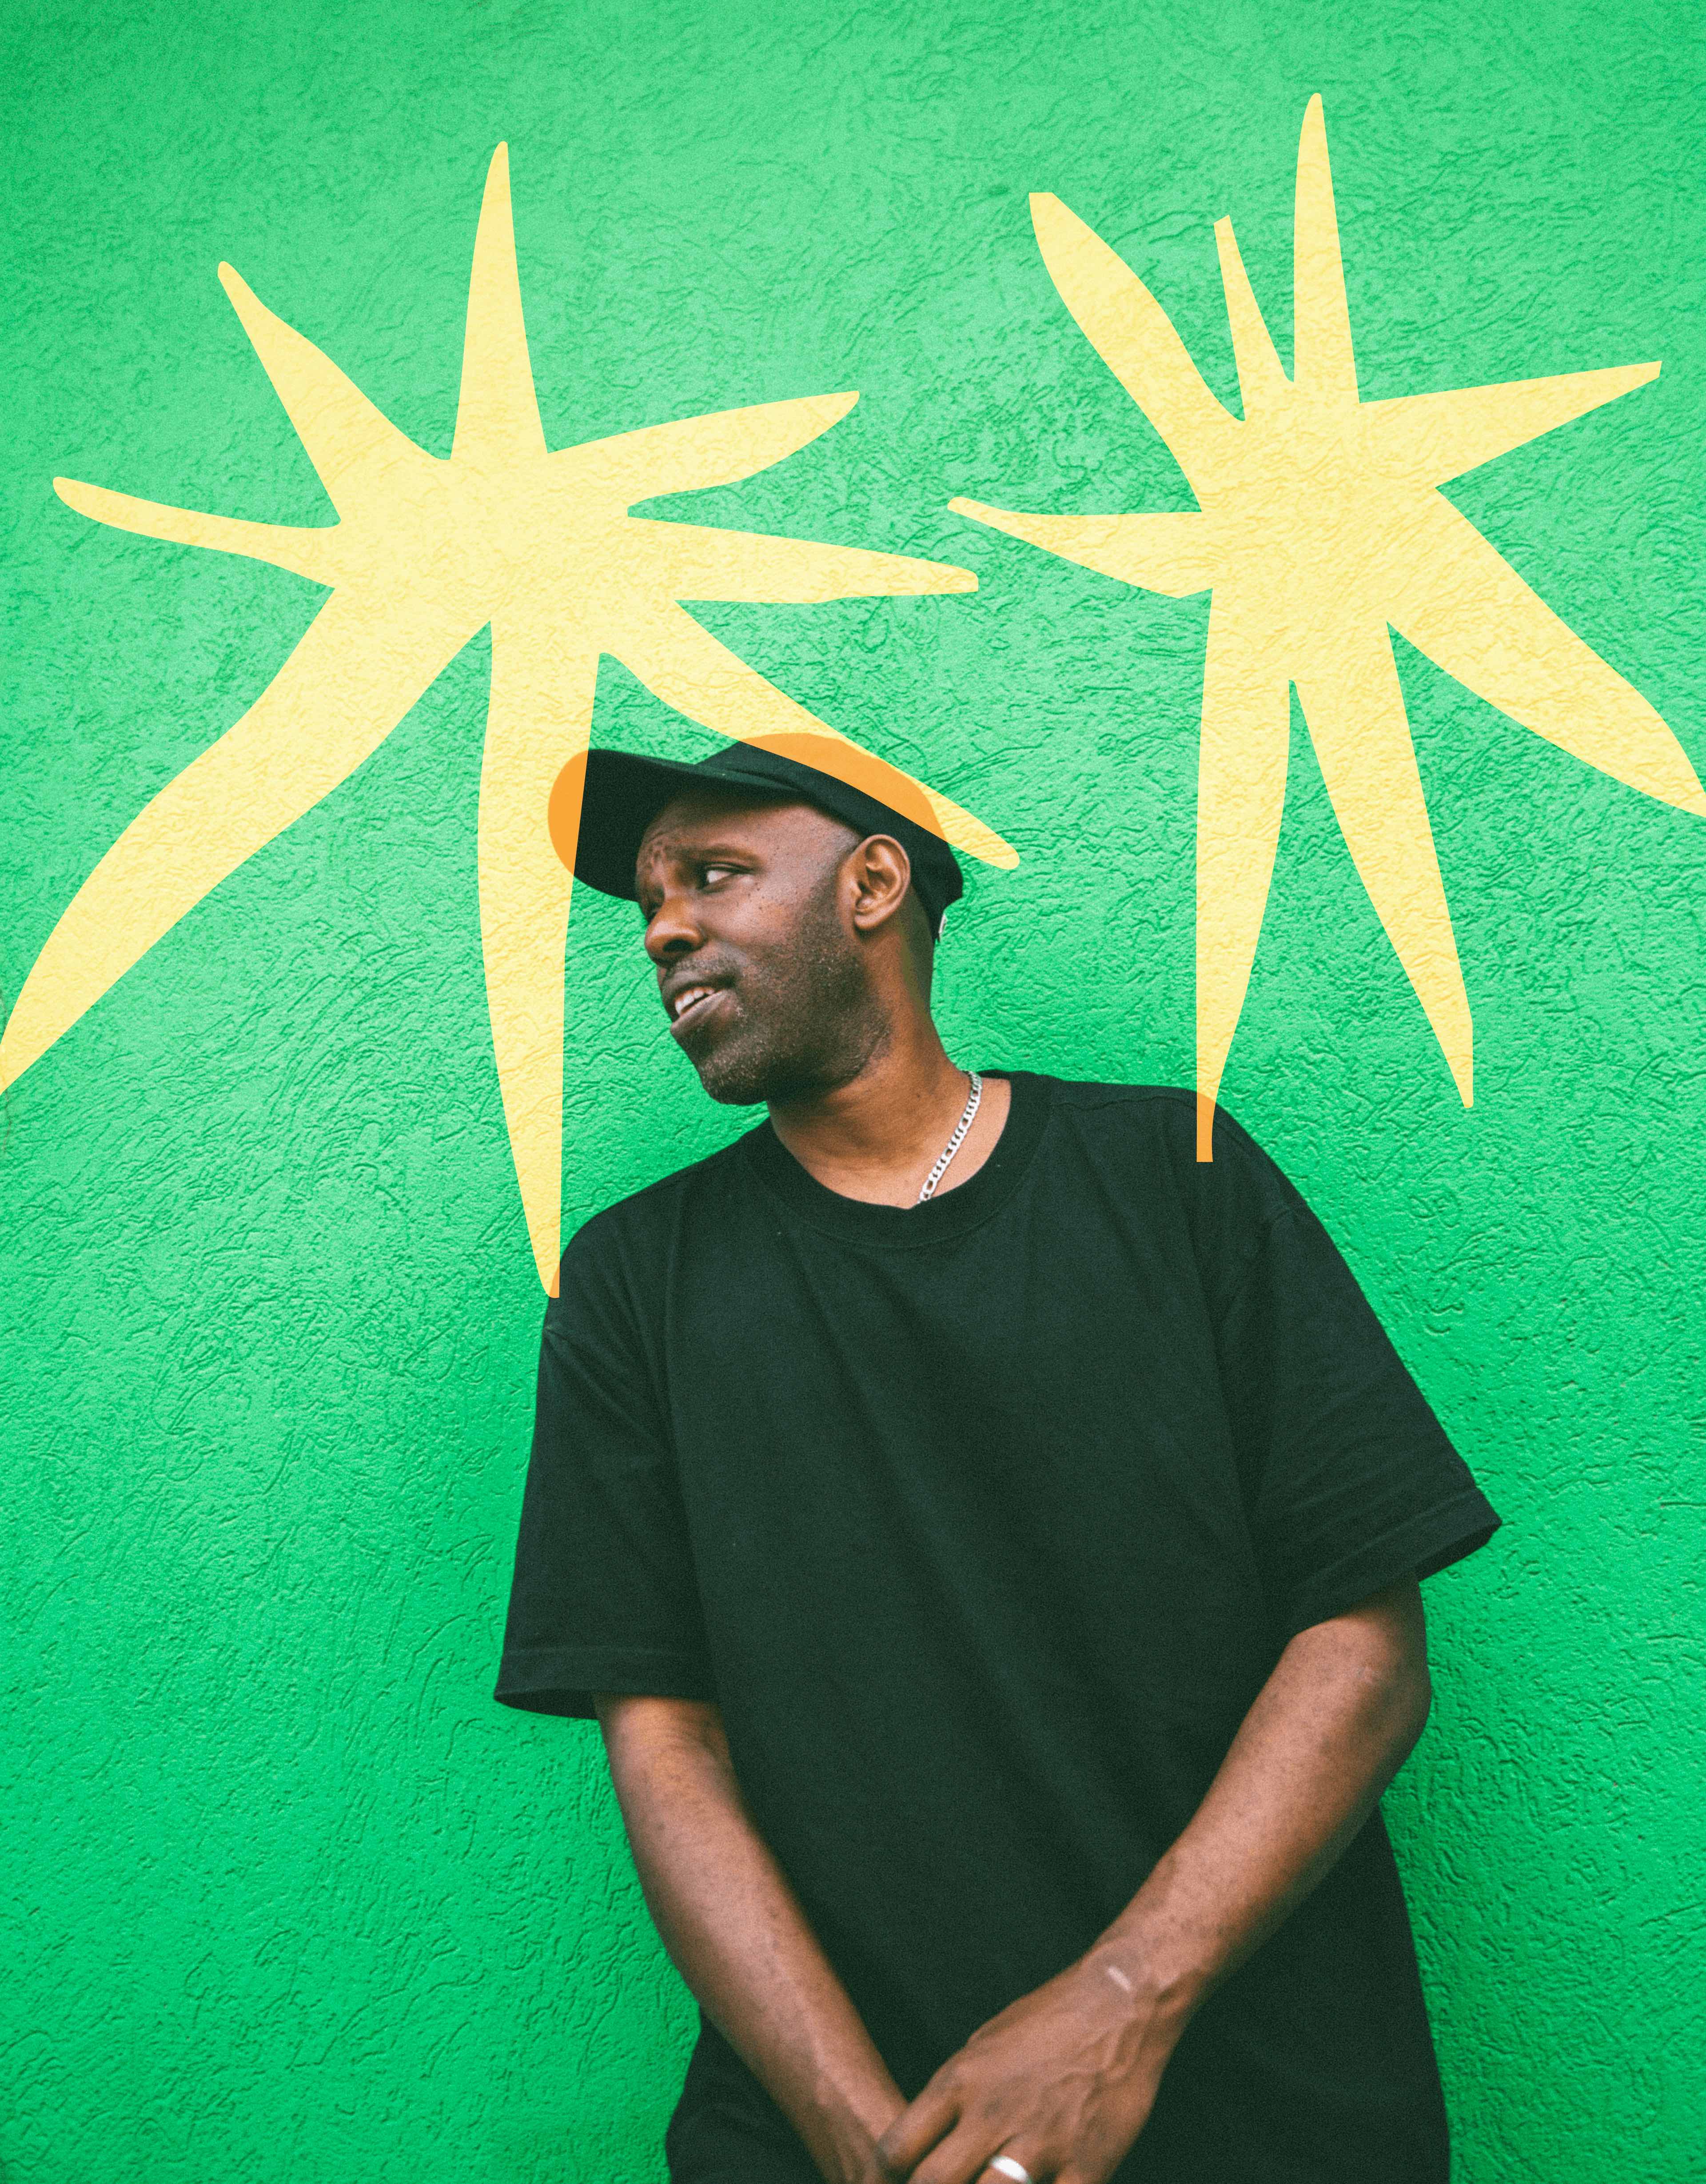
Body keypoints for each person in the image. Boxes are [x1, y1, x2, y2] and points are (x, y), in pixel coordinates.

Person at [494, 737, 1501, 2184]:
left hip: (1263, 2113)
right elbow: (667, 1746)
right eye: (650, 897)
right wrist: (872, 2148)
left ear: (872, 884)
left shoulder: (1176, 1177)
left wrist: (1120, 2008)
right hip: (836, 2131)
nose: (662, 928)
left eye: (713, 874)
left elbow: (1367, 1647)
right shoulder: (635, 1285)